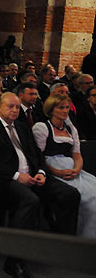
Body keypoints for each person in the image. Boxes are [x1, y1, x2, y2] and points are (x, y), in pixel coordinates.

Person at [0, 92, 80, 278]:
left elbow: (36, 153)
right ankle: (14, 261)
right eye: (10, 106)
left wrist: (40, 171)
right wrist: (16, 175)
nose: (15, 110)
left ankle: (62, 245)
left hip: (33, 175)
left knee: (70, 194)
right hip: (6, 179)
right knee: (30, 201)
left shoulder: (23, 127)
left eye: (17, 107)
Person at [32, 94, 96, 238]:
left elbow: (77, 154)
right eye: (61, 108)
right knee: (87, 200)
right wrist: (57, 172)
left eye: (67, 107)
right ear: (51, 109)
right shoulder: (42, 127)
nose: (65, 111)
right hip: (50, 167)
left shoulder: (70, 129)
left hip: (72, 167)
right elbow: (38, 157)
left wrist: (77, 169)